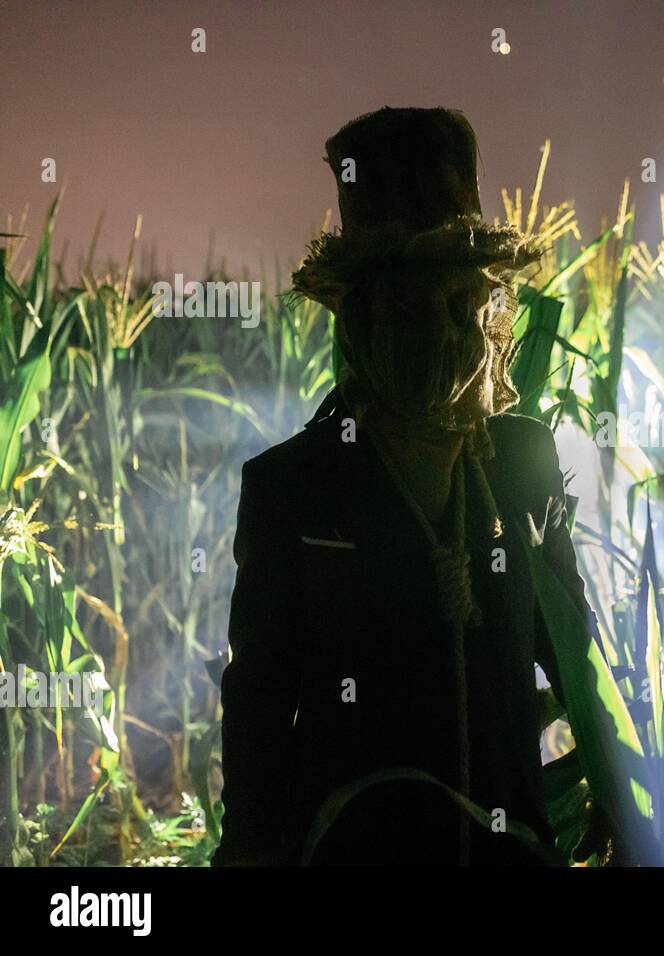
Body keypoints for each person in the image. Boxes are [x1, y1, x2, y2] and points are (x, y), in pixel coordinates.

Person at [213, 107, 595, 866]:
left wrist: (621, 797)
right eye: (407, 307)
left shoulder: (522, 460)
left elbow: (573, 653)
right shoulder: (295, 485)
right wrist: (248, 855)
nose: (436, 329)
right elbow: (258, 704)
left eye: (456, 303)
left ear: (486, 312)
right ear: (358, 319)